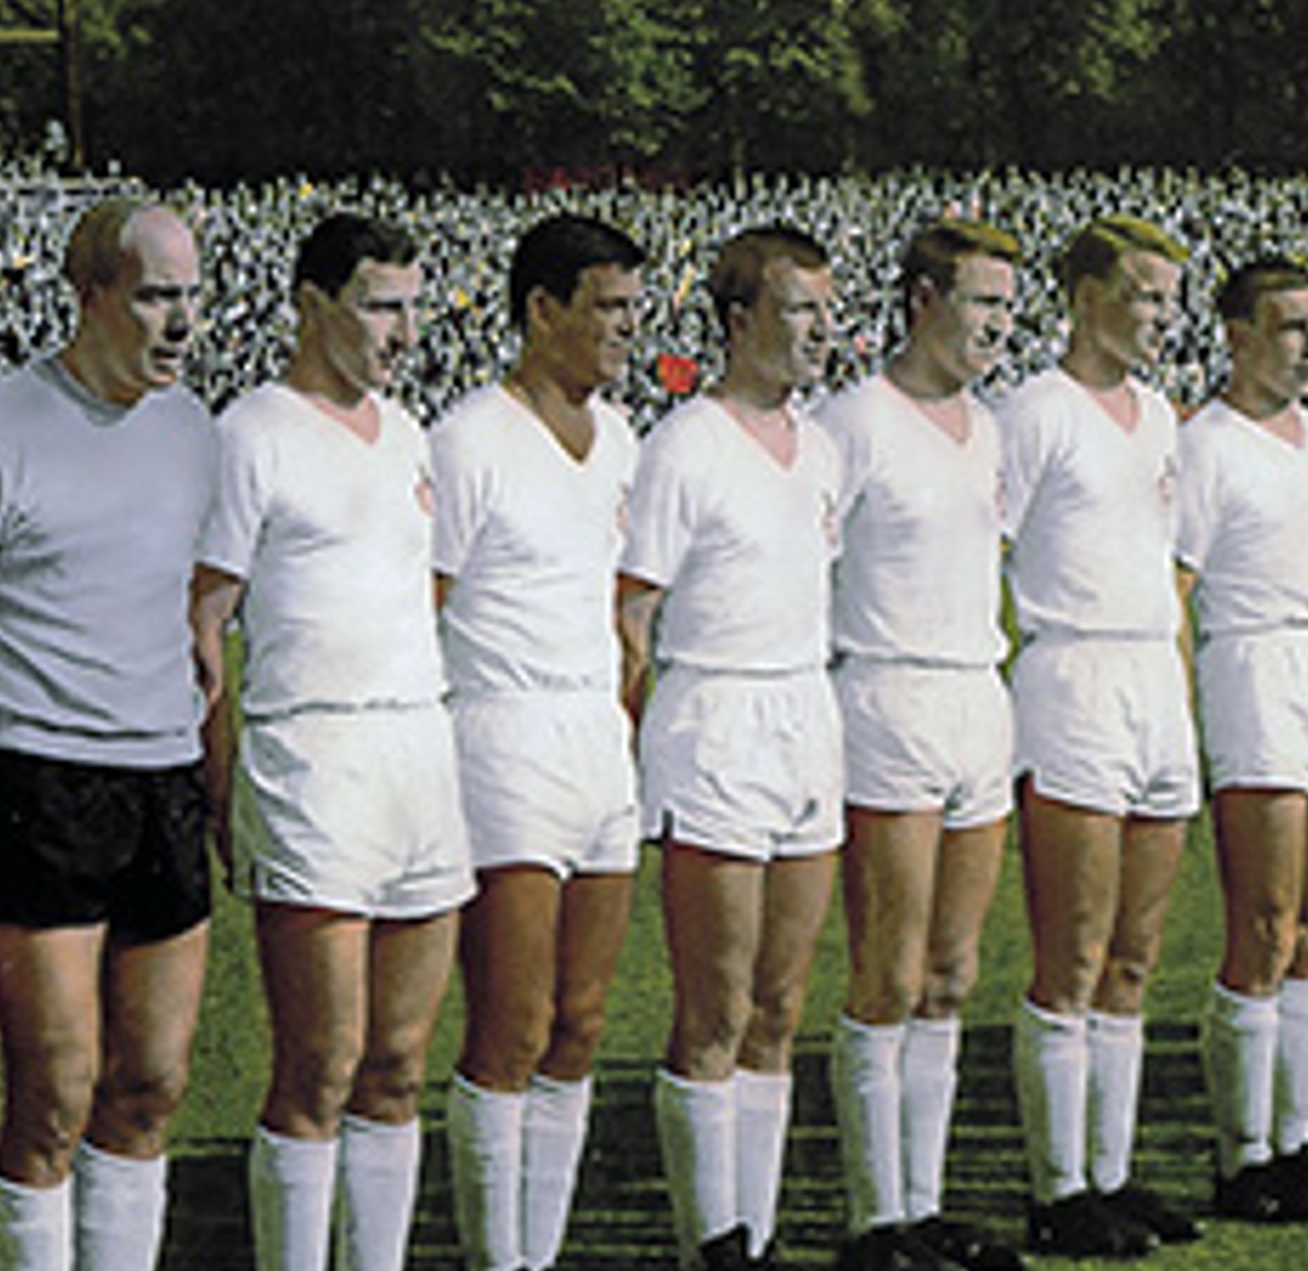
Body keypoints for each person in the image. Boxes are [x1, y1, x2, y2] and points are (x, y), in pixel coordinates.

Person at [0, 200, 218, 1271]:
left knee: (151, 1087)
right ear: (90, 297)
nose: (181, 321)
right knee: (53, 1096)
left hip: (164, 776)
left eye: (190, 296)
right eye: (156, 296)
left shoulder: (195, 430)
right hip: (37, 778)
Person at [188, 214, 472, 1271]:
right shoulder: (250, 433)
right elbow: (201, 622)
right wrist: (223, 791)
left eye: (411, 305)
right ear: (312, 305)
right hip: (309, 762)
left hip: (418, 756)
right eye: (379, 305)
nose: (404, 331)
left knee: (396, 1069)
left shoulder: (408, 434)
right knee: (319, 1066)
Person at [622, 226, 845, 1271]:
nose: (820, 331)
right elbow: (631, 617)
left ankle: (754, 1233)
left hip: (806, 717)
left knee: (780, 1008)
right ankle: (706, 1240)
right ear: (739, 319)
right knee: (714, 1007)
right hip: (712, 721)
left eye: (826, 310)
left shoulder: (823, 447)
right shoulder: (683, 446)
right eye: (799, 310)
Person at [434, 213, 650, 1271]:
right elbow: (420, 605)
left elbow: (623, 607)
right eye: (607, 307)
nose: (627, 328)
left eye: (632, 307)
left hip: (596, 743)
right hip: (502, 739)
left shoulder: (623, 441)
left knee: (580, 1024)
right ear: (541, 309)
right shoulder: (469, 439)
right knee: (512, 1028)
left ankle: (541, 1252)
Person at [818, 221, 1029, 1271]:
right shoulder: (853, 421)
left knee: (951, 973)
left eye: (1007, 306)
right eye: (982, 301)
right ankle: (874, 1219)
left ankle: (924, 1203)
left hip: (976, 699)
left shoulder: (989, 428)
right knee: (888, 973)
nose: (998, 324)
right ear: (921, 301)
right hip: (887, 699)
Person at [1001, 215, 1203, 1259]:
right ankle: (1058, 1187)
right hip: (1071, 680)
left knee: (1134, 955)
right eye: (1142, 294)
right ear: (1086, 296)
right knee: (1072, 955)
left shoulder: (1160, 416)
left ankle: (1111, 1173)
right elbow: (978, 547)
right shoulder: (1036, 411)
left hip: (1152, 683)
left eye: (1170, 298)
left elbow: (1168, 565)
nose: (1161, 316)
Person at [1178, 257, 1308, 1222]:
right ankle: (1244, 1154)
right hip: (1253, 667)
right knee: (1264, 922)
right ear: (1238, 334)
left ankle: (1299, 1138)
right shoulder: (1206, 445)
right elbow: (1176, 589)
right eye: (1291, 326)